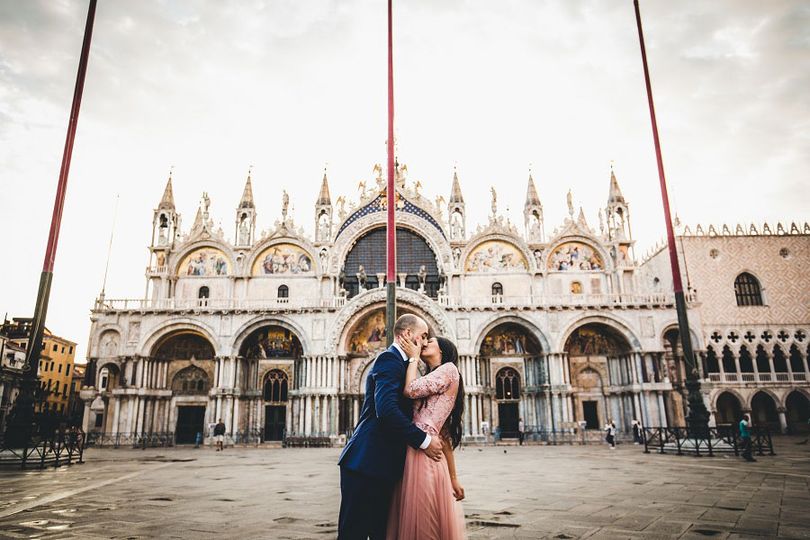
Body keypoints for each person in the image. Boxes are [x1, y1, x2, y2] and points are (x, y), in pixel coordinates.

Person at [338, 314, 444, 540]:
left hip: (381, 465)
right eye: (423, 336)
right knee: (353, 533)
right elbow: (386, 411)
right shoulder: (388, 359)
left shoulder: (404, 365)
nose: (425, 342)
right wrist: (424, 441)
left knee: (381, 533)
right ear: (407, 334)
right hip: (366, 464)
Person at [386, 335, 466, 540]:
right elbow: (445, 434)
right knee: (415, 518)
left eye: (429, 341)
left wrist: (412, 358)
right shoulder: (434, 377)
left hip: (424, 455)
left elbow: (409, 389)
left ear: (442, 350)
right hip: (418, 450)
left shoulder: (448, 369)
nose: (424, 343)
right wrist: (453, 479)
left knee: (424, 521)